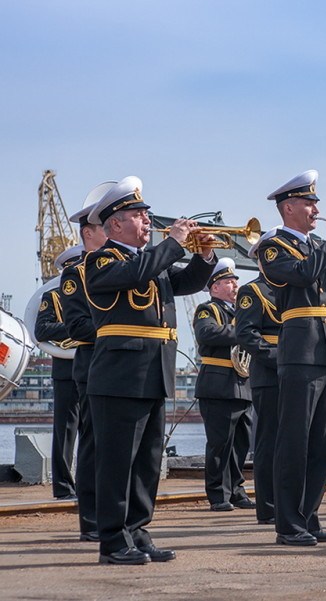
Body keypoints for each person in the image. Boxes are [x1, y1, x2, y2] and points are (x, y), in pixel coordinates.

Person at [83, 175, 215, 565]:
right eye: (138, 214)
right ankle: (112, 541)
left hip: (154, 372)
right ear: (116, 223)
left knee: (146, 462)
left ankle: (138, 532)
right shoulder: (102, 259)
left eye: (145, 214)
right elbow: (136, 274)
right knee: (117, 462)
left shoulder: (149, 262)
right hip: (120, 374)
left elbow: (186, 281)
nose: (146, 220)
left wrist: (203, 257)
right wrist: (173, 242)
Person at [256, 170, 326, 547]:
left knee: (321, 442)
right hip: (301, 349)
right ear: (288, 207)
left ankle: (310, 515)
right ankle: (287, 523)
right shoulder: (274, 246)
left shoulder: (320, 246)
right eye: (309, 202)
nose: (316, 208)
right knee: (294, 439)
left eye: (315, 202)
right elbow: (304, 276)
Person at [59, 180, 116, 541]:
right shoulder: (75, 274)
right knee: (95, 445)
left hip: (124, 366)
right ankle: (92, 522)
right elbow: (77, 326)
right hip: (95, 364)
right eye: (103, 228)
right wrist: (118, 329)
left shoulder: (123, 266)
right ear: (88, 233)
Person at [194, 257, 255, 512]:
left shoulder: (240, 312)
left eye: (235, 281)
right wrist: (246, 330)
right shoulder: (208, 309)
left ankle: (237, 490)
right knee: (220, 443)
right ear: (214, 287)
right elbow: (207, 333)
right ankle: (218, 494)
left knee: (241, 442)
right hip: (218, 384)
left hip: (243, 383)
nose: (234, 285)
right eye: (228, 281)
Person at [235, 228, 282, 525]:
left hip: (298, 369)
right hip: (270, 370)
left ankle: (288, 502)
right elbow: (247, 335)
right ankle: (267, 506)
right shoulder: (253, 291)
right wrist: (279, 358)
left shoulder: (292, 288)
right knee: (269, 440)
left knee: (293, 441)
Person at [34, 245, 84, 501]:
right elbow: (42, 330)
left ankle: (89, 484)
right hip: (66, 368)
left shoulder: (97, 294)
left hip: (94, 364)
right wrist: (77, 329)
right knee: (65, 430)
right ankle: (63, 486)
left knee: (95, 428)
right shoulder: (52, 297)